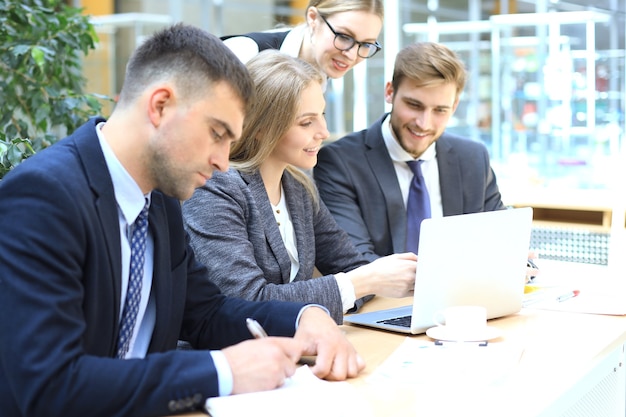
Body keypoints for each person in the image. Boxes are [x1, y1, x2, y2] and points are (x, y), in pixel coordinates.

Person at [0, 24, 364, 417]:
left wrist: (303, 315)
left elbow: (206, 313)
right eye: (217, 133)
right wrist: (221, 370)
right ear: (160, 106)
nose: (225, 161)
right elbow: (50, 384)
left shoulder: (159, 198)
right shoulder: (44, 196)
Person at [182, 50, 417, 325]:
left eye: (322, 115)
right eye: (306, 122)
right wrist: (360, 283)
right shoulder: (216, 189)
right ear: (260, 126)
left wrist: (367, 280)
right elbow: (246, 302)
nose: (324, 132)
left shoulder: (298, 188)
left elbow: (351, 267)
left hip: (293, 348)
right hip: (232, 358)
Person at [314, 41, 509, 263]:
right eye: (414, 105)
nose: (424, 123)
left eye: (440, 110)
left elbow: (501, 240)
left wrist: (517, 260)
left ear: (454, 107)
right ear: (390, 92)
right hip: (383, 298)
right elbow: (353, 261)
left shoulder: (473, 158)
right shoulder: (340, 162)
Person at [221, 0, 383, 85]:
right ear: (313, 18)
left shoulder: (322, 71)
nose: (352, 55)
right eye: (344, 36)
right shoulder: (245, 53)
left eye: (366, 45)